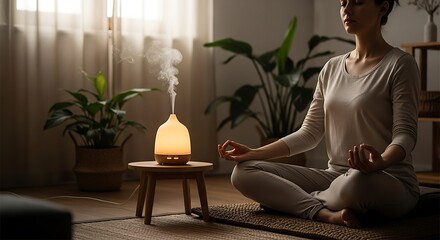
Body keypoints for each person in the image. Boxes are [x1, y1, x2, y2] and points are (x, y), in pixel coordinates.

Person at [218, 0, 420, 228]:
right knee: (243, 172)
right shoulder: (331, 68)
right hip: (335, 177)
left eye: (358, 2)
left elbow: (405, 136)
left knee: (354, 184)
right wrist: (255, 152)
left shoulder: (401, 64)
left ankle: (288, 202)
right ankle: (323, 214)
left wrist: (379, 162)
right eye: (343, 3)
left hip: (385, 179)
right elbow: (309, 134)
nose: (347, 10)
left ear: (382, 7)